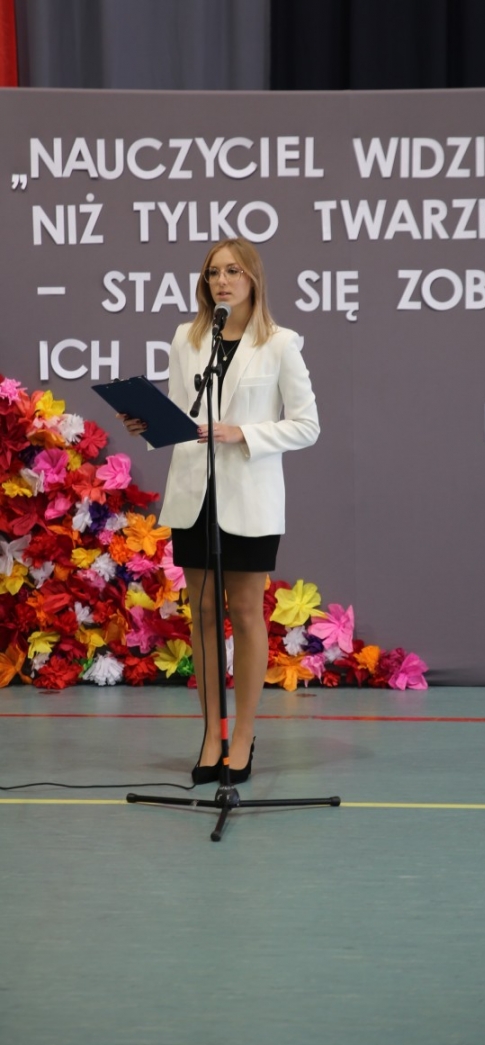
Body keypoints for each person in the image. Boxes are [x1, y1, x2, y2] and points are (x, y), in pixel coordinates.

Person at [119, 238, 319, 784]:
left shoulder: (280, 343)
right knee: (204, 614)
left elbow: (307, 425)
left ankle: (244, 735)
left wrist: (242, 433)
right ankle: (212, 733)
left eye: (233, 271)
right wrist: (147, 425)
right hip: (193, 494)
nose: (222, 281)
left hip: (249, 497)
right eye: (213, 273)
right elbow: (181, 416)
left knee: (247, 614)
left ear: (253, 278)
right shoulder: (187, 338)